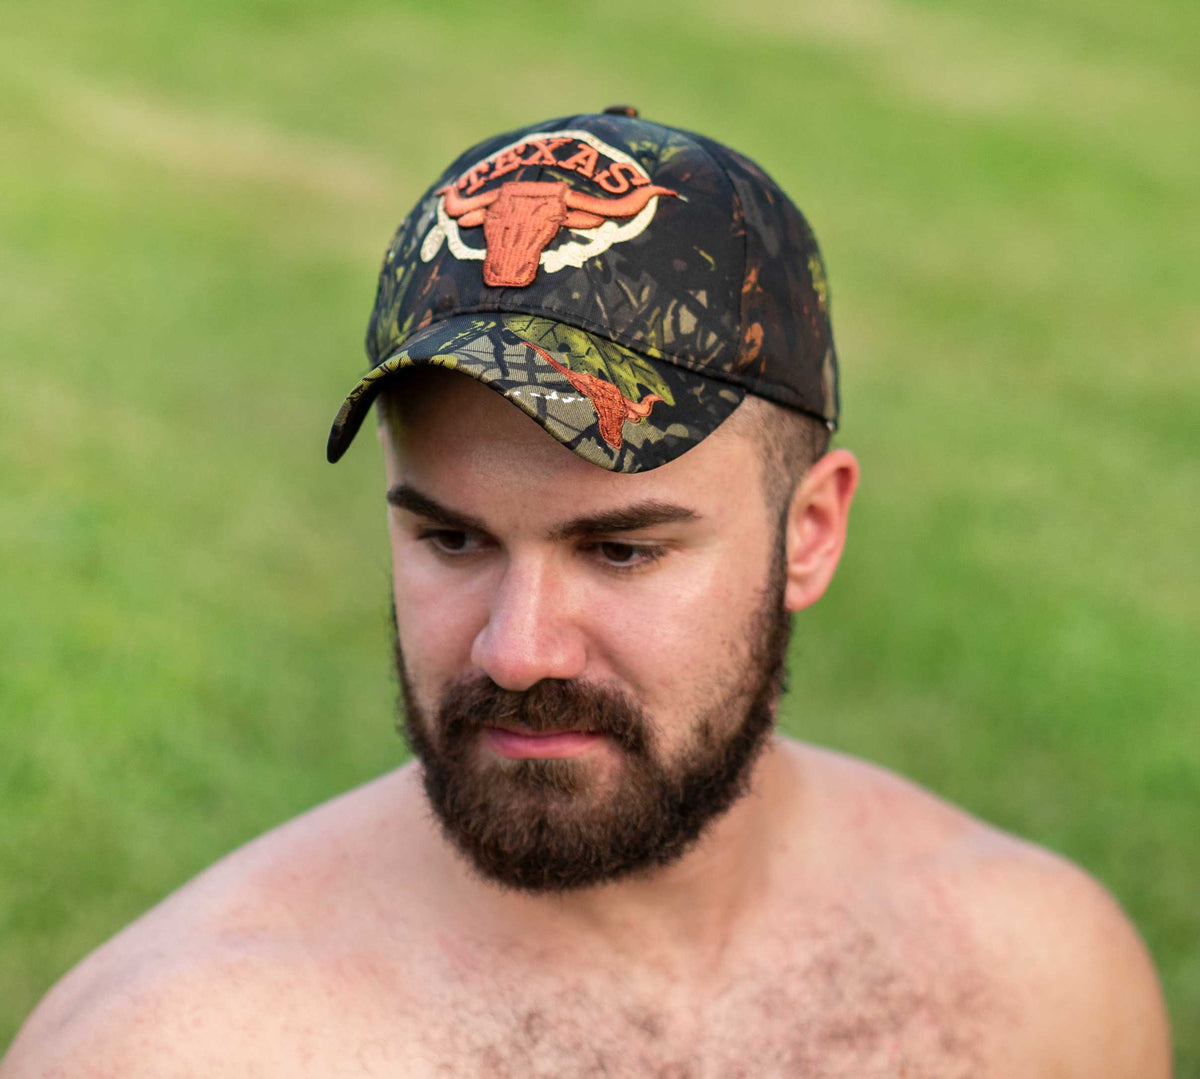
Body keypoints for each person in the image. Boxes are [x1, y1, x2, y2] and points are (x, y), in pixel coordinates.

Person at [3, 108, 1171, 1076]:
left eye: (621, 550)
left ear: (809, 533)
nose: (517, 651)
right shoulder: (185, 1045)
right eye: (452, 539)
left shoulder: (1036, 981)